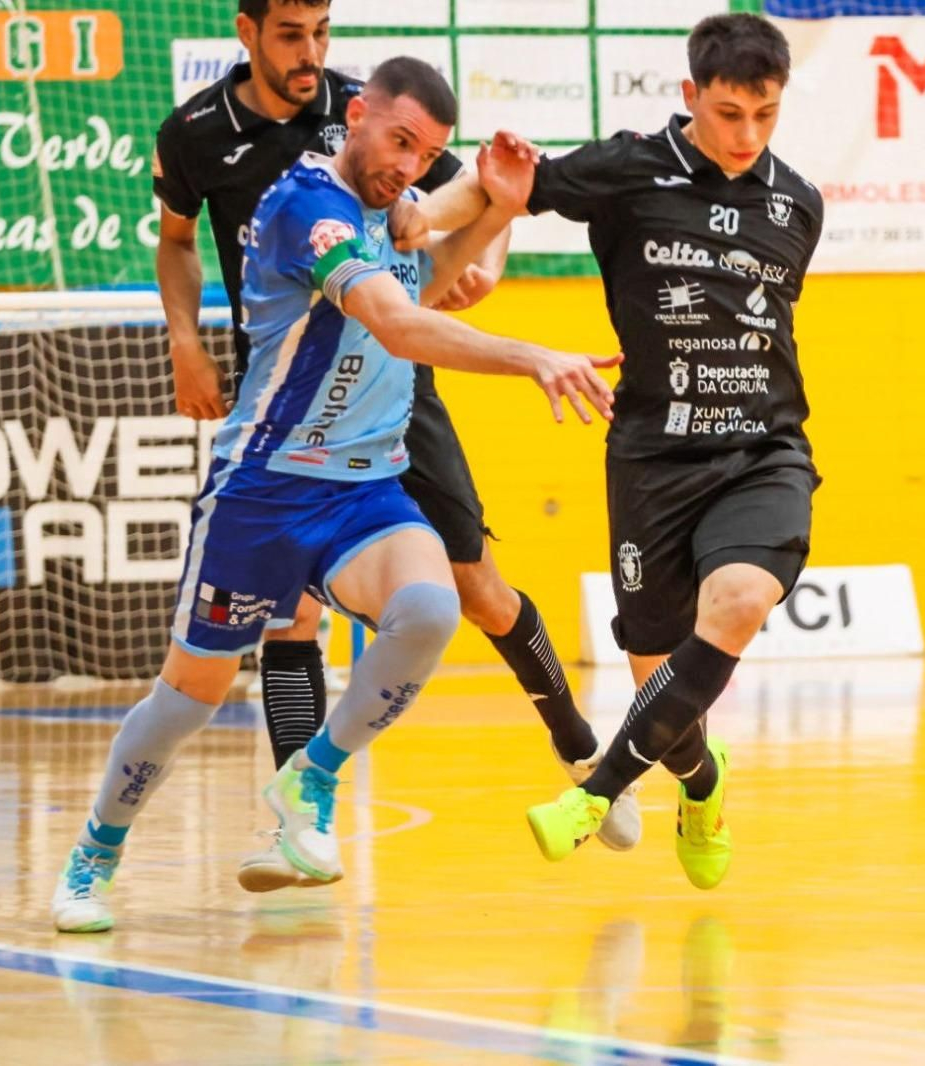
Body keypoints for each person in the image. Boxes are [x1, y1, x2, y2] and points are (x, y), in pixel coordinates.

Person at [51, 57, 618, 932]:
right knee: (187, 699)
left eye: (426, 153)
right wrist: (534, 356)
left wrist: (497, 207)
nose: (408, 166)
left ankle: (310, 777)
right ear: (356, 118)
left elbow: (425, 285)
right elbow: (397, 322)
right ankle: (95, 853)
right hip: (265, 491)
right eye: (399, 142)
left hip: (365, 488)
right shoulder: (309, 208)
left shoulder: (391, 207)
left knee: (431, 610)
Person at [520, 12, 822, 889]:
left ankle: (595, 795)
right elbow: (511, 188)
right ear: (691, 95)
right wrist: (452, 230)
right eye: (729, 113)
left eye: (765, 115)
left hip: (763, 451)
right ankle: (702, 782)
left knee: (737, 603)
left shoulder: (798, 203)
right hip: (652, 459)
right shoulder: (627, 170)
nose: (747, 134)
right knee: (663, 681)